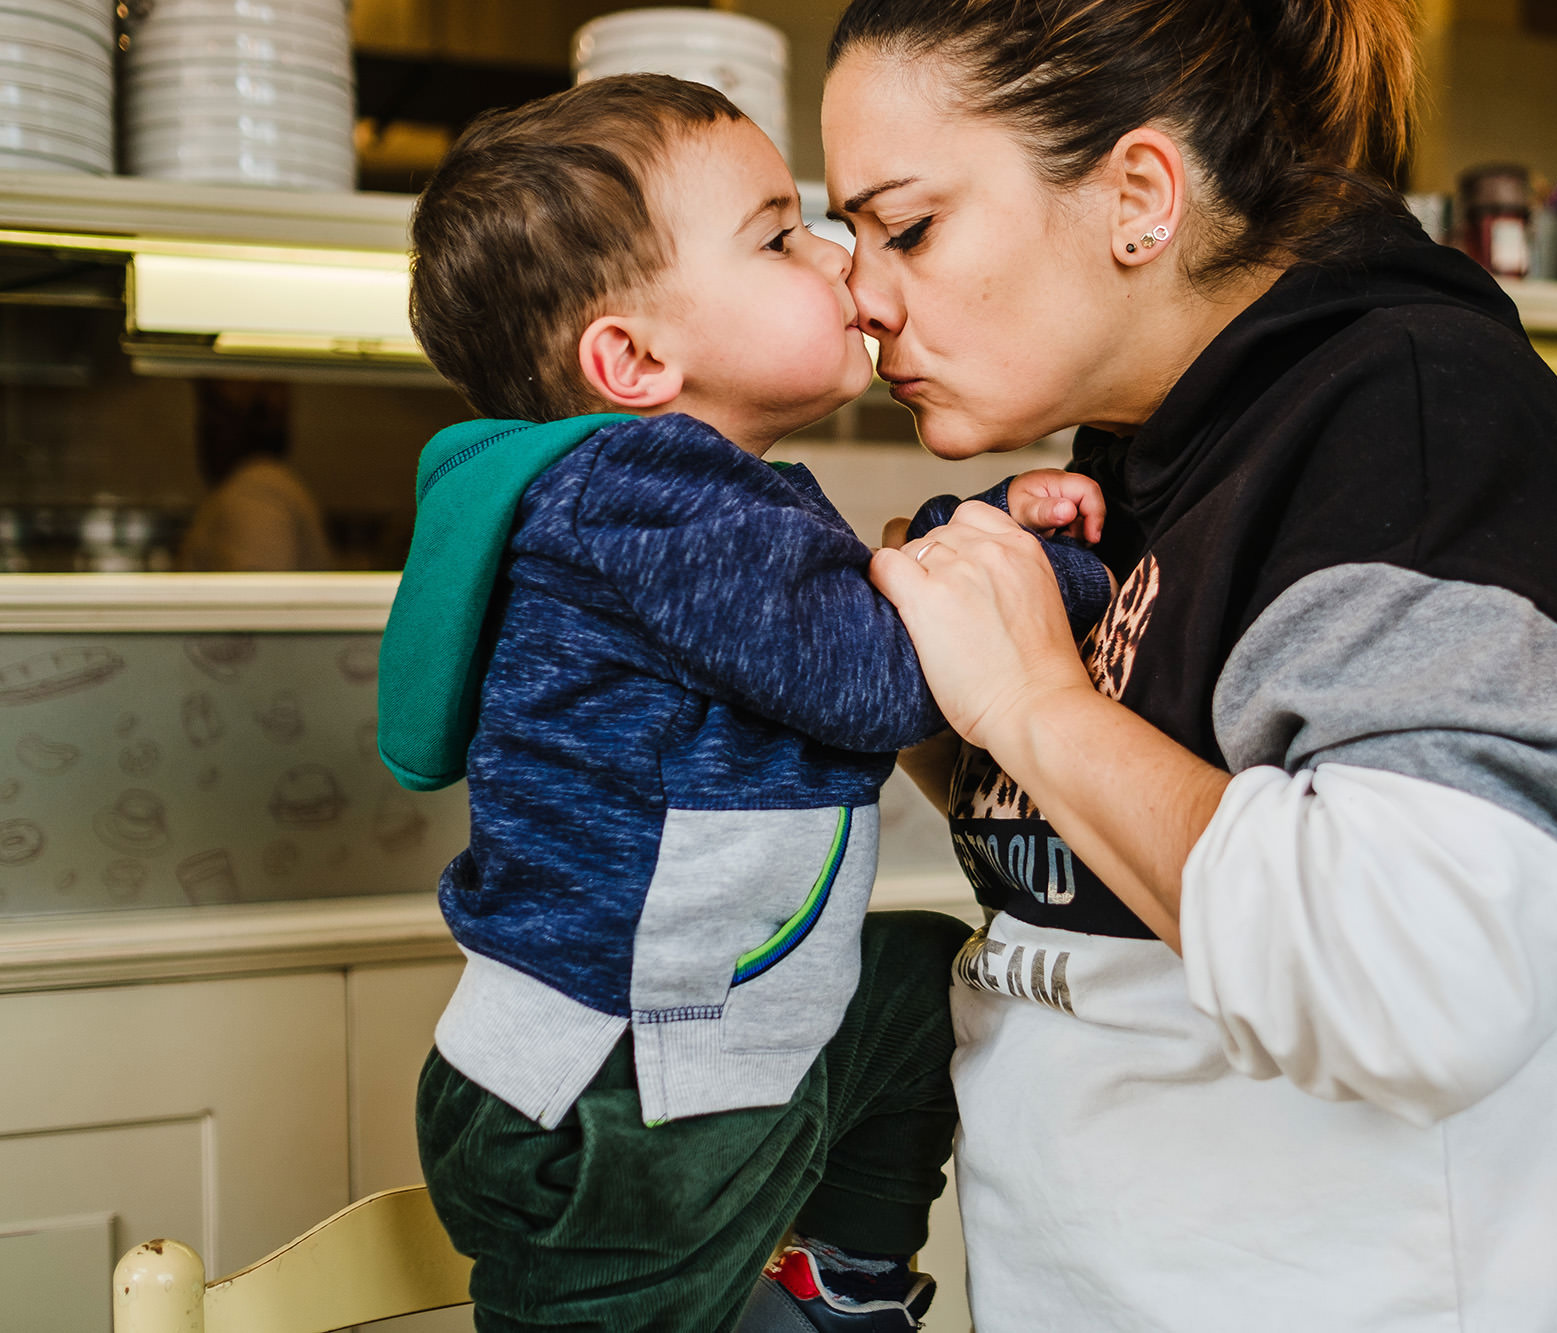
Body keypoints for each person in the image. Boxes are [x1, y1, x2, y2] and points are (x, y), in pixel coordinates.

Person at [820, 1, 1557, 1329]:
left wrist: (1038, 704)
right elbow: (1150, 885)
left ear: (1138, 195)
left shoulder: (1415, 424)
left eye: (909, 227)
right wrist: (962, 717)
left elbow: (1420, 981)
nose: (862, 295)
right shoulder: (1129, 456)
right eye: (848, 236)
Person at [377, 74, 1111, 1333]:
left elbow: (838, 626)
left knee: (920, 984)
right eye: (777, 236)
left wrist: (966, 533)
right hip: (617, 1102)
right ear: (635, 359)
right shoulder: (643, 494)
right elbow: (874, 681)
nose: (833, 257)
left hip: (705, 1050)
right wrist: (1049, 571)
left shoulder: (701, 499)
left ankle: (837, 1283)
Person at [179, 379, 333, 571]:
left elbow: (255, 592)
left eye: (212, 422)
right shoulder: (259, 483)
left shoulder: (256, 489)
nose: (202, 436)